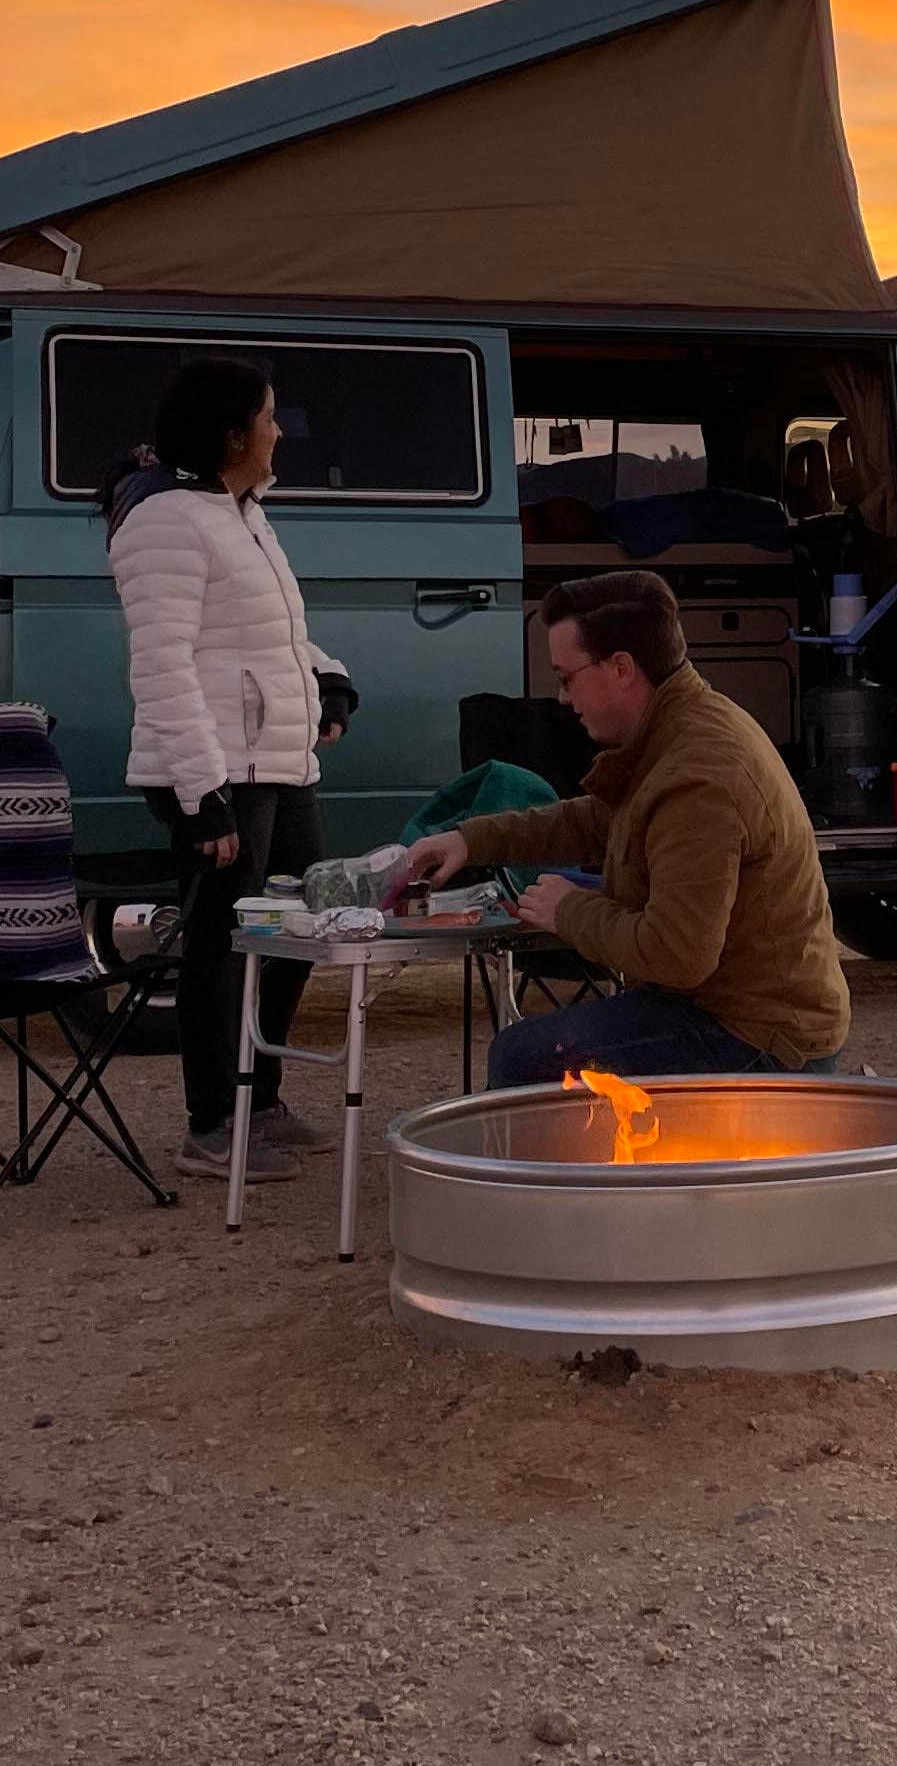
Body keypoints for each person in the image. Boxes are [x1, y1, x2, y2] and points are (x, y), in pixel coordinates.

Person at [397, 565, 848, 1087]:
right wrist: (469, 839)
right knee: (537, 1048)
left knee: (523, 1059)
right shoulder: (678, 729)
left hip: (760, 1037)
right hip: (734, 1011)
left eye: (567, 678)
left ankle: (556, 1171)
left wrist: (569, 909)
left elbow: (677, 956)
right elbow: (595, 819)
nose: (564, 698)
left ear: (620, 668)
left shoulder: (698, 777)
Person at [105, 355, 354, 1181]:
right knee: (218, 946)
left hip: (278, 760)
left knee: (299, 926)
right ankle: (211, 1124)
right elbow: (164, 666)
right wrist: (198, 793)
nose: (280, 432)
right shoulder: (166, 521)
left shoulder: (239, 512)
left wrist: (326, 674)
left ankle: (262, 1099)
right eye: (270, 417)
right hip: (217, 770)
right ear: (231, 433)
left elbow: (268, 633)